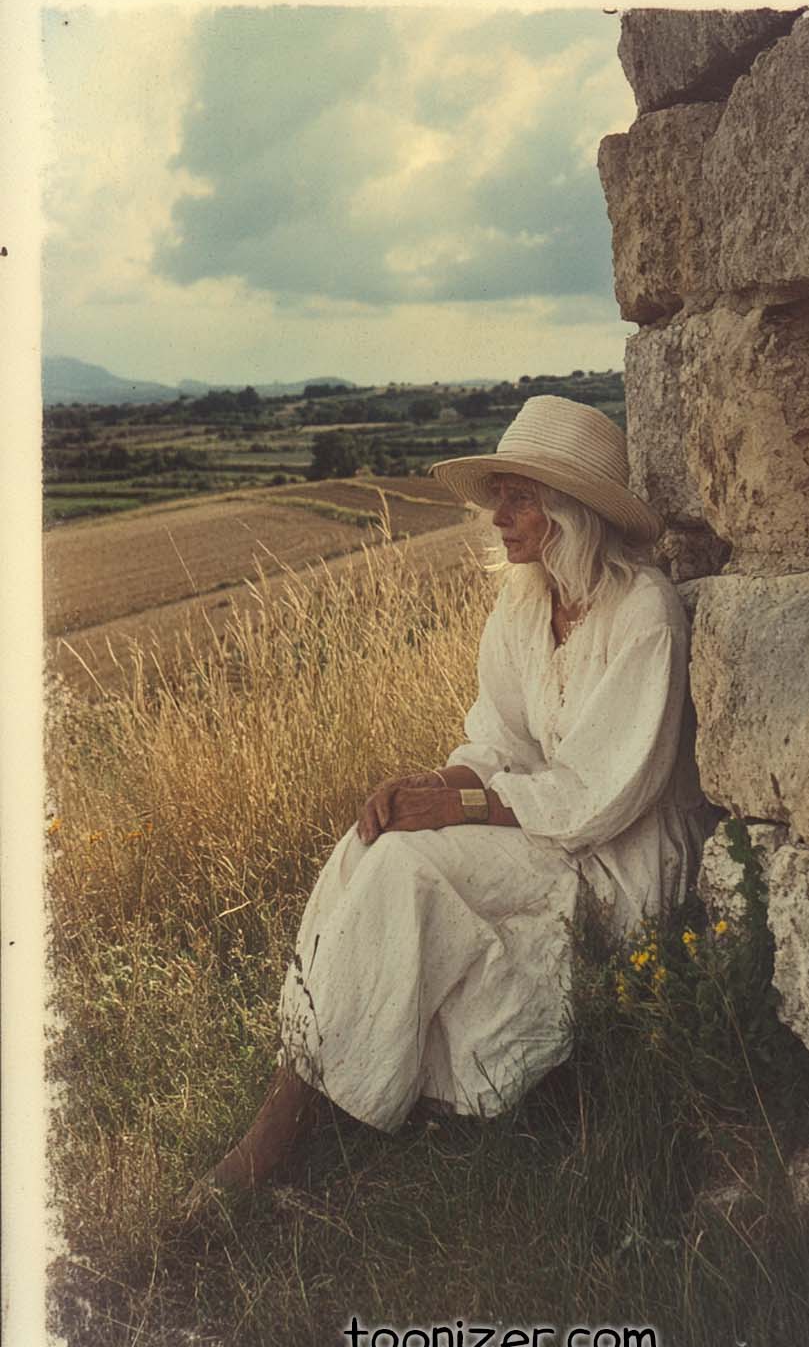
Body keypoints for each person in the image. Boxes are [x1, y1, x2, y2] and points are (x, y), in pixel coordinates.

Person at [199, 394, 709, 1193]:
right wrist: (429, 787)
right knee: (372, 842)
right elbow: (497, 743)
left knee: (412, 871)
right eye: (496, 494)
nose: (498, 515)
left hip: (617, 857)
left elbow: (603, 795)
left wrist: (464, 808)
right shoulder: (526, 602)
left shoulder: (643, 613)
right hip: (543, 824)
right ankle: (332, 1070)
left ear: (570, 509)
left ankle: (276, 1140)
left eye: (519, 495)